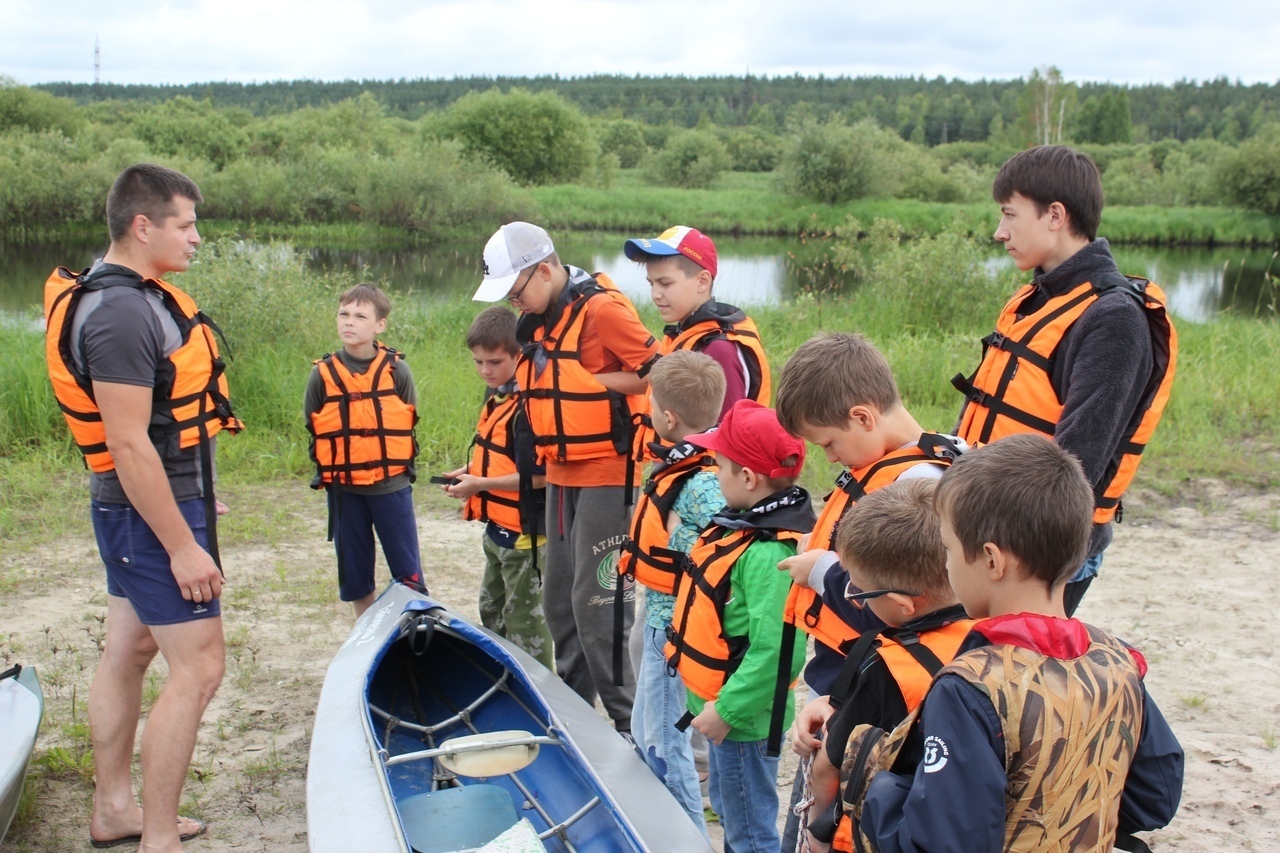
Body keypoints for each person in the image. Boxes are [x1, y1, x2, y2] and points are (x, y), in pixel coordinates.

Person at [841, 434, 1183, 852]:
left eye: (948, 548)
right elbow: (1154, 799)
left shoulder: (971, 687)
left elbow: (942, 843)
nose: (946, 564)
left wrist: (877, 780)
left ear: (991, 560)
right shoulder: (1119, 661)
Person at [44, 163, 242, 851]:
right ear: (142, 225)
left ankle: (116, 810)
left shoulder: (125, 294)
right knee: (200, 666)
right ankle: (158, 837)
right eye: (185, 224)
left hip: (141, 509)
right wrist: (183, 545)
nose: (195, 237)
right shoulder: (123, 312)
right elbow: (129, 445)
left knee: (128, 648)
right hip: (152, 512)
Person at [952, 144, 1177, 616]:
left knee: (1003, 684)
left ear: (1055, 215)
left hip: (1034, 551)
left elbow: (1074, 468)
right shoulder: (1041, 296)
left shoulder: (1114, 319)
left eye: (1010, 215)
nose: (1000, 232)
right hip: (986, 532)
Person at [771, 332, 964, 849]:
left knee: (823, 821)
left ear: (862, 417)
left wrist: (824, 573)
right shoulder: (890, 468)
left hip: (868, 691)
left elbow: (907, 607)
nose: (830, 457)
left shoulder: (916, 486)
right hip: (848, 681)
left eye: (828, 444)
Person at [473, 221, 659, 731]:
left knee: (598, 604)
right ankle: (577, 722)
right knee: (559, 600)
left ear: (547, 269)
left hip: (607, 470)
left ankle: (631, 728)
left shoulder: (603, 310)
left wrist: (590, 381)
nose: (515, 304)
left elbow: (654, 370)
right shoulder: (540, 316)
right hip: (560, 473)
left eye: (517, 291)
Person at [664, 399, 815, 853]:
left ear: (748, 479)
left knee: (749, 832)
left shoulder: (767, 554)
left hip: (741, 722)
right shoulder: (742, 530)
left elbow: (779, 650)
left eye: (719, 466)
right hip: (725, 710)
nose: (714, 475)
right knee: (733, 817)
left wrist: (726, 712)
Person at [799, 479, 973, 851]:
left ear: (902, 604)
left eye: (858, 591)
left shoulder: (883, 665)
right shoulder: (993, 636)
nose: (857, 600)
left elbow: (831, 764)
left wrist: (816, 831)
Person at [619, 350, 727, 833]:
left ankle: (687, 836)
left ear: (667, 416)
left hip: (675, 630)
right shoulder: (691, 468)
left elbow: (727, 548)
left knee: (665, 741)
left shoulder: (701, 484)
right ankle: (655, 828)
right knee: (645, 732)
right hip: (662, 618)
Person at [441, 305, 553, 668]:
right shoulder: (499, 399)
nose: (486, 371)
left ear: (519, 356)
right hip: (496, 532)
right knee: (492, 615)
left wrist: (481, 484)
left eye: (494, 362)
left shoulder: (530, 407)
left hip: (526, 539)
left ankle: (542, 700)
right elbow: (502, 457)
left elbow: (542, 475)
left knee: (527, 627)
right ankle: (503, 683)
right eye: (478, 362)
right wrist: (469, 472)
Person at [305, 283, 423, 618]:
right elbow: (312, 423)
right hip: (345, 491)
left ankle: (412, 635)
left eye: (360, 315)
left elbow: (407, 415)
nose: (349, 322)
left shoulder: (397, 371)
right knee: (356, 578)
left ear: (380, 324)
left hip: (391, 488)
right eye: (344, 314)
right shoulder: (321, 374)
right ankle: (365, 636)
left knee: (408, 574)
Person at [623, 225, 770, 431]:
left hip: (703, 464)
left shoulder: (719, 349)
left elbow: (727, 437)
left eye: (665, 283)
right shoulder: (686, 333)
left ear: (702, 281)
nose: (655, 294)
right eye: (651, 284)